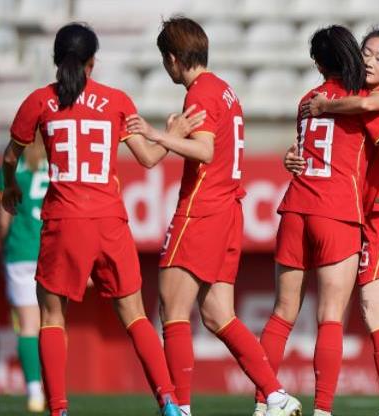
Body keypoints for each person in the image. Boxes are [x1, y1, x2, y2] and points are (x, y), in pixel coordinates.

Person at [2, 22, 198, 416]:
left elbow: (10, 157)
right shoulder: (115, 100)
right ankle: (169, 401)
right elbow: (148, 158)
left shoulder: (38, 101)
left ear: (57, 59)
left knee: (51, 318)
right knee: (135, 316)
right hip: (109, 221)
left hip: (63, 222)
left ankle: (58, 409)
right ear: (93, 62)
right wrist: (172, 133)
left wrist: (10, 188)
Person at [126, 16, 301, 416]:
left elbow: (204, 150)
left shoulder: (201, 93)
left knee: (172, 310)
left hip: (201, 209)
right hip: (228, 209)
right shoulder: (224, 90)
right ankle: (276, 396)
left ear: (173, 58)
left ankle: (182, 409)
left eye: (165, 60)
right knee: (218, 313)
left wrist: (158, 134)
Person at [258, 25, 379, 416]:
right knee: (358, 314)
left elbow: (368, 129)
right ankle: (357, 408)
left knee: (299, 311)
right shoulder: (360, 99)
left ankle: (266, 402)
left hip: (331, 209)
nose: (370, 61)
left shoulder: (319, 99)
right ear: (351, 55)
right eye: (365, 53)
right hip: (342, 211)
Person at [0, 139, 49, 413]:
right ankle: (54, 388)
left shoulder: (11, 168)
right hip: (51, 252)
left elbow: (3, 219)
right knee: (53, 323)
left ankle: (34, 392)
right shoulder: (57, 164)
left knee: (28, 326)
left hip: (20, 252)